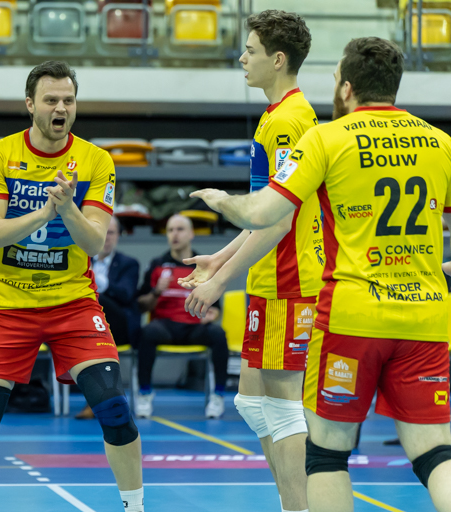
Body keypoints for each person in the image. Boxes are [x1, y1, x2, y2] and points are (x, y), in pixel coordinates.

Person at [190, 37, 451, 512]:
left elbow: (264, 213)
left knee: (326, 455)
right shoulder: (440, 142)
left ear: (346, 88)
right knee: (435, 453)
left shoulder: (327, 138)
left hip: (350, 318)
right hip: (423, 319)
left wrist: (222, 201)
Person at [0, 61, 144, 512]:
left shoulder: (96, 160)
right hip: (6, 303)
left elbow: (95, 242)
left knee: (115, 408)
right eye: (51, 100)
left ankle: (135, 506)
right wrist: (46, 212)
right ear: (30, 104)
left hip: (72, 303)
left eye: (68, 100)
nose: (61, 108)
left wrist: (67, 209)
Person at [180, 10, 319, 512]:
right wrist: (219, 260)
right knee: (250, 402)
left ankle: (300, 508)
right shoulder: (278, 115)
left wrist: (219, 285)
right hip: (271, 279)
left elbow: (278, 222)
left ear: (277, 60)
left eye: (251, 50)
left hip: (289, 280)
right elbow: (264, 213)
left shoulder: (287, 122)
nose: (242, 58)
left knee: (282, 410)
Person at [135, 214, 229, 419]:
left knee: (218, 334)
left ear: (191, 234)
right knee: (147, 333)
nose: (174, 235)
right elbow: (141, 305)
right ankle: (144, 393)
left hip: (194, 327)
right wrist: (156, 292)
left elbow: (216, 308)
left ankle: (218, 395)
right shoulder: (157, 265)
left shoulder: (204, 265)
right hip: (165, 327)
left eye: (180, 229)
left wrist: (212, 315)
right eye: (170, 230)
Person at [76, 215, 140, 419]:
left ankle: (97, 401)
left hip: (119, 326)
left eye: (110, 232)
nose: (106, 237)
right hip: (85, 326)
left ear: (118, 235)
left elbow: (126, 294)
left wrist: (99, 283)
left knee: (95, 300)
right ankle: (98, 399)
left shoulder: (129, 263)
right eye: (102, 232)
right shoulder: (80, 260)